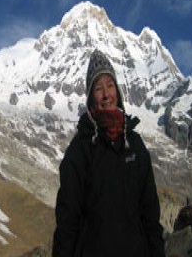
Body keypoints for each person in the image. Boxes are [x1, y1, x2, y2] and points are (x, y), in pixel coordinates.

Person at [52, 49, 165, 257]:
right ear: (90, 98)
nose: (106, 95)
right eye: (98, 88)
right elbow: (67, 223)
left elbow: (150, 215)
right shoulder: (80, 150)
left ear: (118, 93)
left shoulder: (135, 144)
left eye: (110, 86)